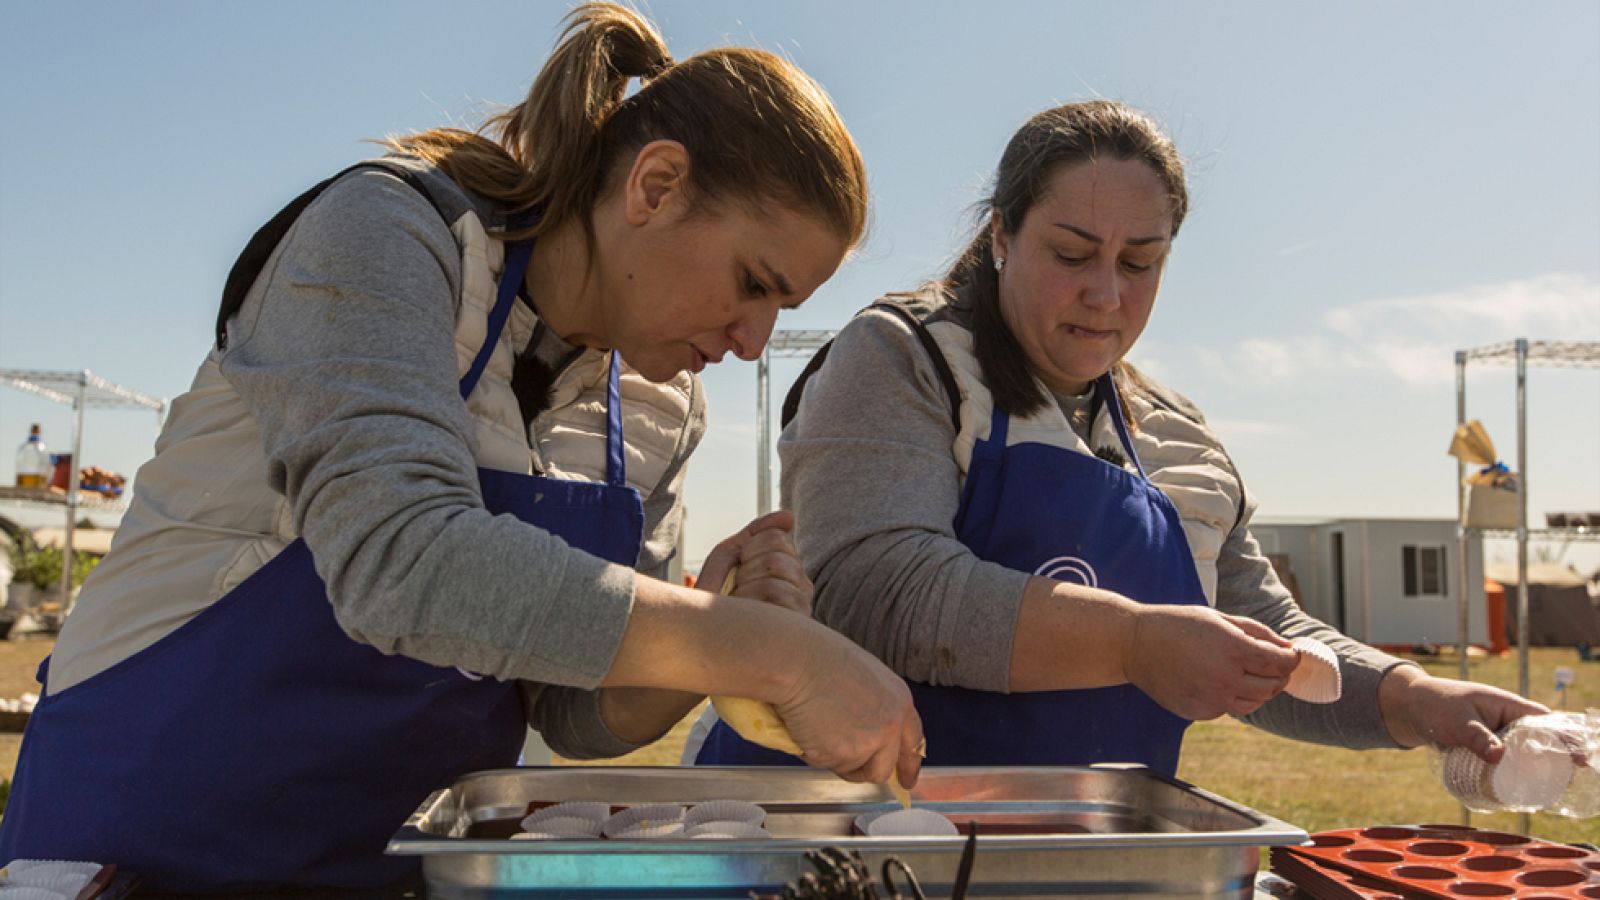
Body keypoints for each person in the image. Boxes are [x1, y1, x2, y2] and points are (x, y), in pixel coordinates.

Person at [0, 4, 922, 891]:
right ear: (655, 185)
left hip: (403, 864)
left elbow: (570, 710)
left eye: (781, 309)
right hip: (146, 846)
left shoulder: (660, 411)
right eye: (752, 283)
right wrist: (767, 651)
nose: (754, 340)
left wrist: (703, 637)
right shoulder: (393, 238)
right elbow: (400, 560)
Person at [692, 100, 1542, 774]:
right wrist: (1135, 643)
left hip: (1068, 849)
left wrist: (1411, 694)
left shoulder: (1179, 438)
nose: (1106, 294)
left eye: (1140, 264)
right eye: (1071, 253)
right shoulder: (904, 361)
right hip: (855, 842)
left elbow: (1261, 633)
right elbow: (880, 589)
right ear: (1001, 236)